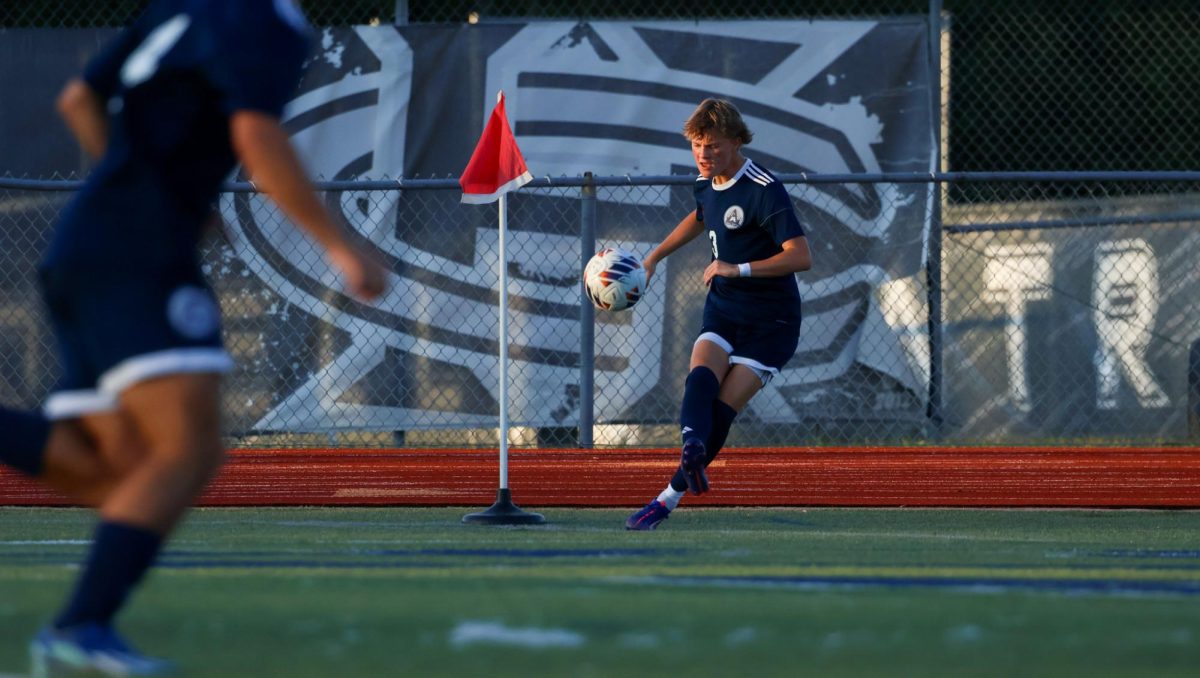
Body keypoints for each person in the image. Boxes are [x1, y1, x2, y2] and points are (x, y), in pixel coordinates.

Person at [0, 1, 386, 674]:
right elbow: (256, 136)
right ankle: (82, 627)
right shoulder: (270, 20)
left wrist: (142, 191)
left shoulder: (180, 7)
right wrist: (340, 247)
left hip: (85, 242)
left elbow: (76, 100)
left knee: (107, 470)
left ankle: (81, 625)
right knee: (188, 447)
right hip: (138, 253)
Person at [625, 98, 811, 531]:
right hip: (724, 308)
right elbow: (700, 216)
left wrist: (737, 268)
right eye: (696, 146)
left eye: (712, 147)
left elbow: (801, 256)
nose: (703, 156)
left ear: (735, 142)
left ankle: (666, 499)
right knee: (700, 376)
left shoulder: (764, 187)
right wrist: (654, 257)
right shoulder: (706, 182)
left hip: (772, 322)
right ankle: (691, 447)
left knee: (723, 410)